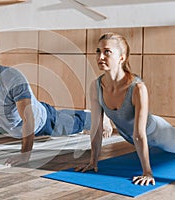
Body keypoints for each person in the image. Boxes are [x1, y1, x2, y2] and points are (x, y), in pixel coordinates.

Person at [0, 40, 113, 166]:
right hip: (17, 127)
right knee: (65, 117)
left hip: (42, 121)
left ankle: (97, 118)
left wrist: (24, 155)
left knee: (72, 125)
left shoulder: (13, 79)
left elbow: (29, 119)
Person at [75, 32, 175, 186]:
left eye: (107, 52)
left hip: (158, 133)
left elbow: (139, 134)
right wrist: (92, 162)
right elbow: (96, 128)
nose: (100, 57)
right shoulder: (96, 86)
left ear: (121, 58)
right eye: (98, 51)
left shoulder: (137, 88)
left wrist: (147, 172)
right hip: (130, 137)